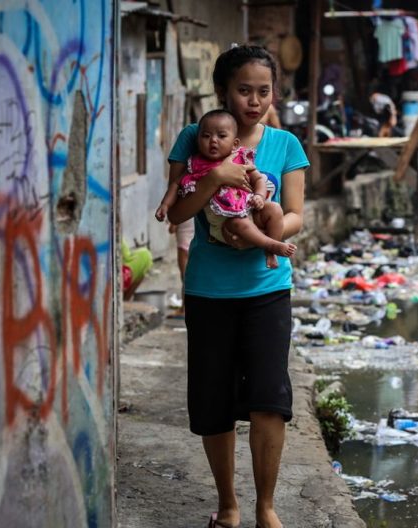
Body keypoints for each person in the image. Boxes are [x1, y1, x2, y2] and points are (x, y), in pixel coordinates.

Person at [166, 44, 308, 528]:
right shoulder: (197, 135)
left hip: (267, 287)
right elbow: (178, 215)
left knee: (270, 397)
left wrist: (263, 239)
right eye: (243, 90)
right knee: (213, 399)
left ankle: (266, 508)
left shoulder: (285, 144)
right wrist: (215, 180)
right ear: (223, 90)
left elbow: (295, 216)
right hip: (208, 290)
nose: (253, 100)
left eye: (262, 91)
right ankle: (228, 505)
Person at [156, 109, 295, 269]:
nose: (213, 141)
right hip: (225, 224)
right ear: (198, 140)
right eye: (206, 136)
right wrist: (165, 205)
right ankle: (272, 245)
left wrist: (259, 195)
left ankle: (270, 253)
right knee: (240, 224)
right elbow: (175, 184)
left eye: (221, 136)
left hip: (249, 210)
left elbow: (258, 179)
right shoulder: (196, 165)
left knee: (275, 209)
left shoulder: (240, 159)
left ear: (235, 143)